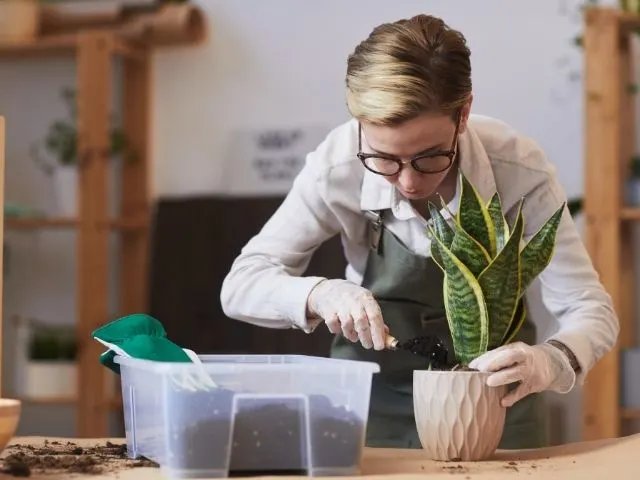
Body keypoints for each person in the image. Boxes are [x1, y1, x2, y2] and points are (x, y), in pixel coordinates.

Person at [220, 13, 618, 449]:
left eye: (429, 157)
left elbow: (591, 309)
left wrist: (551, 361)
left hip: (495, 410)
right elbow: (241, 285)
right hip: (369, 407)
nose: (408, 183)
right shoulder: (337, 165)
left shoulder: (518, 169)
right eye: (384, 159)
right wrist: (321, 294)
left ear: (463, 112)